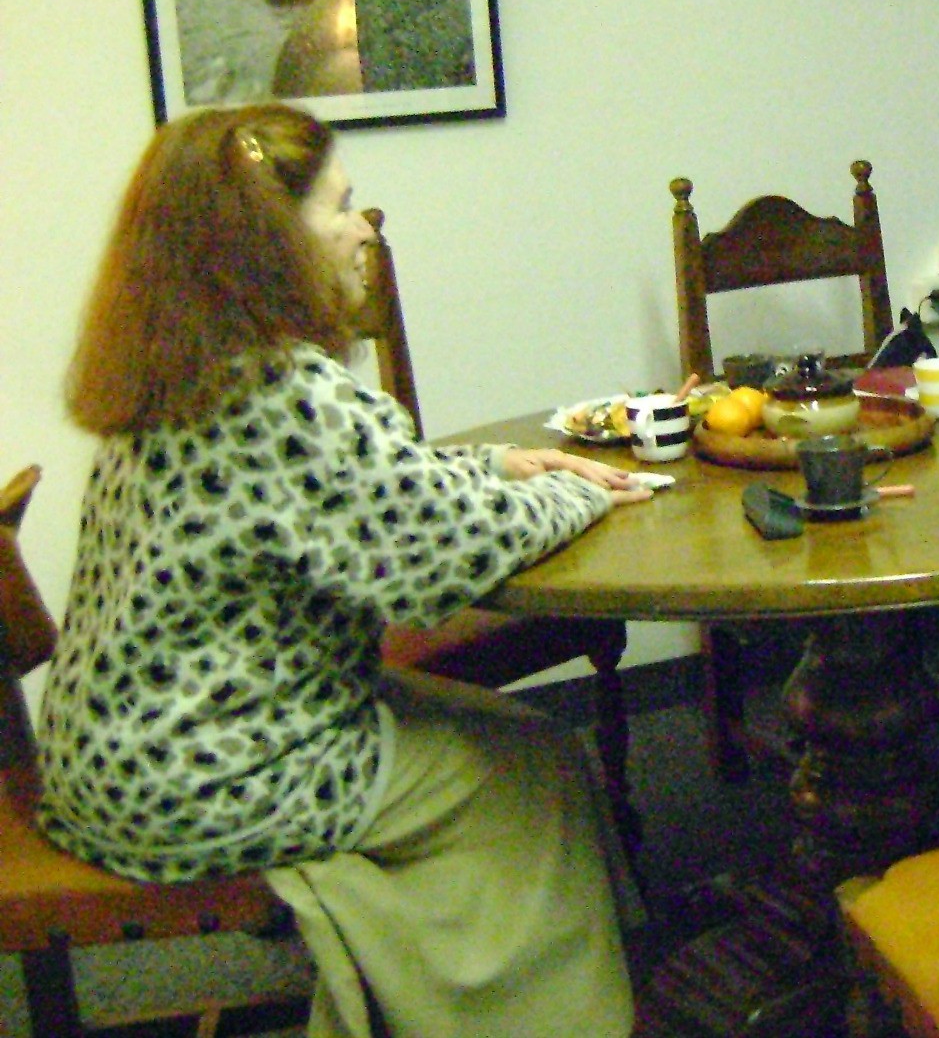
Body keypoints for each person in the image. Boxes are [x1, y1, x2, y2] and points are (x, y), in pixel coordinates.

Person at [36, 103, 651, 1037]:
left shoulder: (188, 370)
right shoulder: (286, 391)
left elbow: (349, 499)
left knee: (524, 745)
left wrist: (491, 467)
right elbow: (441, 562)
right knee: (535, 767)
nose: (365, 227)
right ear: (266, 240)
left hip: (115, 759)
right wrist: (586, 495)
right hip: (211, 773)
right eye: (342, 206)